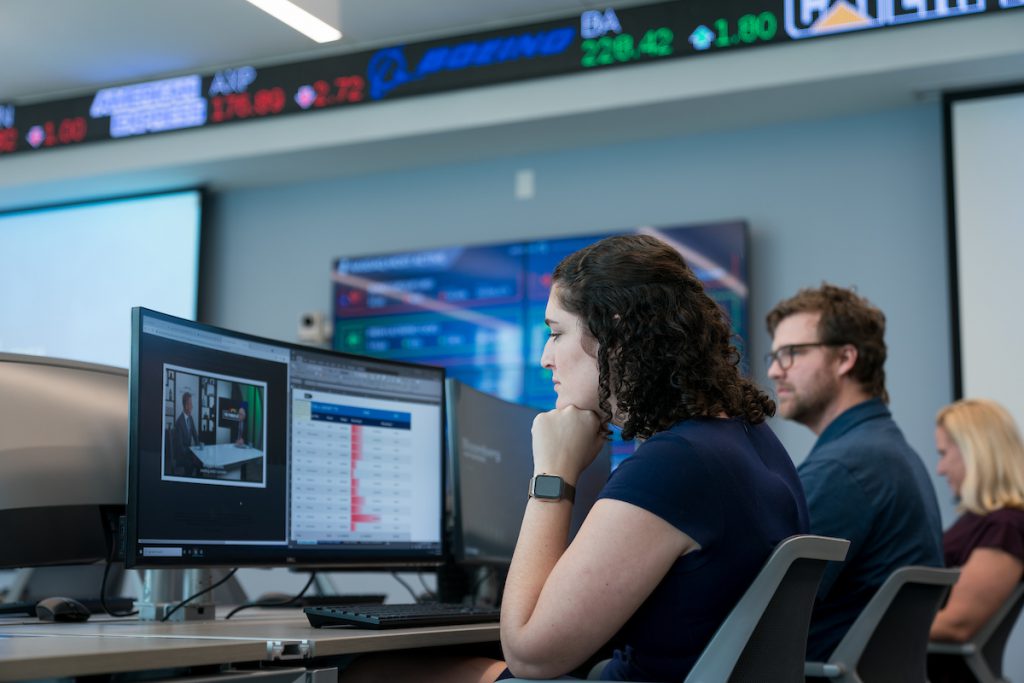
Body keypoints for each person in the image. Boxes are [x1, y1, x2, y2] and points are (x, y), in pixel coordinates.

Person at [343, 234, 809, 682]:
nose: (546, 358)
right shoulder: (750, 438)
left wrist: (553, 473)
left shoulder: (677, 465)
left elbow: (529, 653)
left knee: (371, 671)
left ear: (617, 335)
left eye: (556, 333)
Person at [765, 284, 943, 661]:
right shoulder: (885, 451)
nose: (773, 370)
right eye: (774, 355)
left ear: (845, 357)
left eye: (791, 354)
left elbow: (758, 607)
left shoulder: (845, 469)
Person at [928, 399, 1024, 683]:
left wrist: (869, 625)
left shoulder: (1005, 525)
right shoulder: (984, 521)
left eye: (944, 454)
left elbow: (959, 623)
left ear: (975, 452)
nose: (940, 469)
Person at [173, 391, 203, 476]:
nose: (192, 406)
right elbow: (180, 447)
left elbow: (195, 435)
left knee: (200, 461)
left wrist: (198, 445)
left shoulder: (190, 418)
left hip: (188, 452)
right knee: (192, 463)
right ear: (186, 406)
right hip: (181, 455)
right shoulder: (179, 423)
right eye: (190, 404)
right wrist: (193, 450)